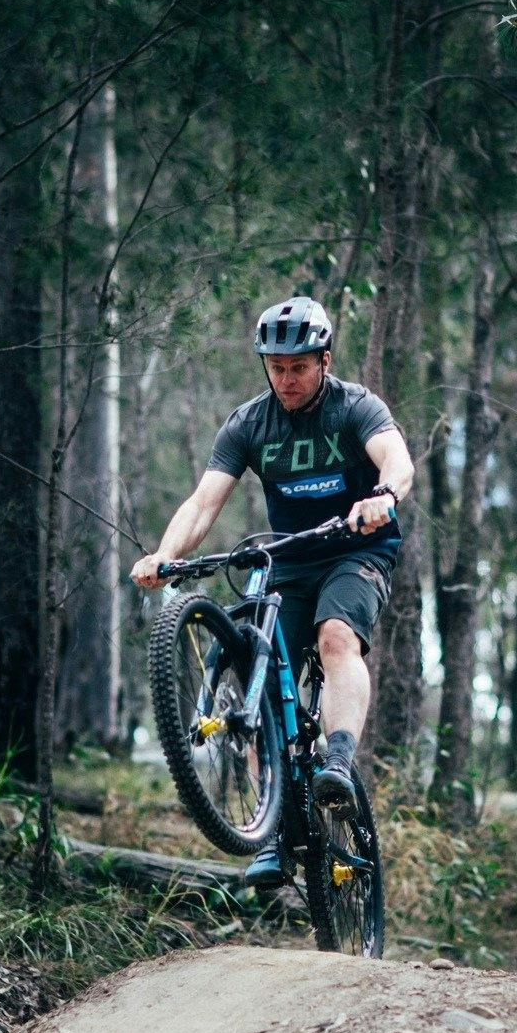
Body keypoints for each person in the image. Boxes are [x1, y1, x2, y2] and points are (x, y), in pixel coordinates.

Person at [131, 295, 416, 888]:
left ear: (324, 361)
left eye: (299, 367)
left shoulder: (355, 406)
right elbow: (204, 501)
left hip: (355, 551)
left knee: (337, 637)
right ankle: (273, 825)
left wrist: (383, 496)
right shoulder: (249, 423)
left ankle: (337, 762)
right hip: (289, 562)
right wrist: (165, 554)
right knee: (250, 673)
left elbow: (397, 458)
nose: (286, 379)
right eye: (276, 367)